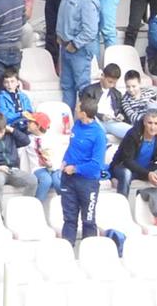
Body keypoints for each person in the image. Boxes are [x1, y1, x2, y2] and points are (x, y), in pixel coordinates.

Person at [59, 97, 106, 243]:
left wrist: (75, 169)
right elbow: (72, 147)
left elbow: (97, 165)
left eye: (78, 109)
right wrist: (64, 160)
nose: (75, 110)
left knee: (88, 220)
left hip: (87, 183)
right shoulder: (77, 125)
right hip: (68, 180)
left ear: (84, 113)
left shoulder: (98, 134)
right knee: (69, 219)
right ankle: (66, 253)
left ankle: (90, 254)